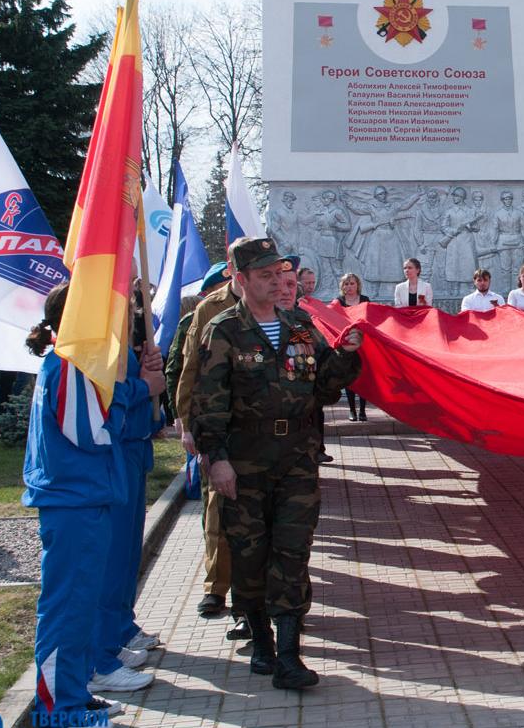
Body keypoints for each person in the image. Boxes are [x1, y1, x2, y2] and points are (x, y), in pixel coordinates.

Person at [192, 237, 363, 690]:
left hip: (296, 460)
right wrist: (218, 460)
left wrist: (346, 357)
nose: (274, 282)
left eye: (277, 274)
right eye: (264, 275)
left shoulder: (301, 326)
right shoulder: (225, 330)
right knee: (249, 554)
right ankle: (262, 643)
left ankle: (289, 654)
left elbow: (323, 387)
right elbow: (209, 403)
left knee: (292, 551)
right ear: (241, 279)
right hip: (245, 463)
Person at [23, 281, 165, 728]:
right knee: (68, 605)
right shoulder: (68, 363)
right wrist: (140, 388)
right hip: (74, 500)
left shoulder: (75, 363)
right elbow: (90, 430)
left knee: (81, 602)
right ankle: (57, 709)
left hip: (84, 497)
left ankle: (75, 692)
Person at [94, 301, 167, 692]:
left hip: (133, 449)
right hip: (113, 456)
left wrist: (148, 380)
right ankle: (102, 650)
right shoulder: (95, 348)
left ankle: (118, 631)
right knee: (110, 558)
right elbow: (104, 399)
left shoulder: (124, 342)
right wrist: (143, 386)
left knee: (126, 555)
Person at [166, 262, 234, 623]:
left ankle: (251, 598)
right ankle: (216, 588)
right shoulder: (207, 312)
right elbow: (186, 367)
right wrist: (187, 421)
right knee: (217, 511)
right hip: (218, 428)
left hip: (260, 435)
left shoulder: (283, 311)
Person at [334, 273, 371, 421]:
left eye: (352, 283)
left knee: (362, 375)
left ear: (358, 285)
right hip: (347, 343)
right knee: (349, 376)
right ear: (342, 287)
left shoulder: (365, 300)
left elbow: (370, 319)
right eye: (346, 284)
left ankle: (362, 410)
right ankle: (352, 410)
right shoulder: (339, 301)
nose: (349, 287)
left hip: (363, 343)